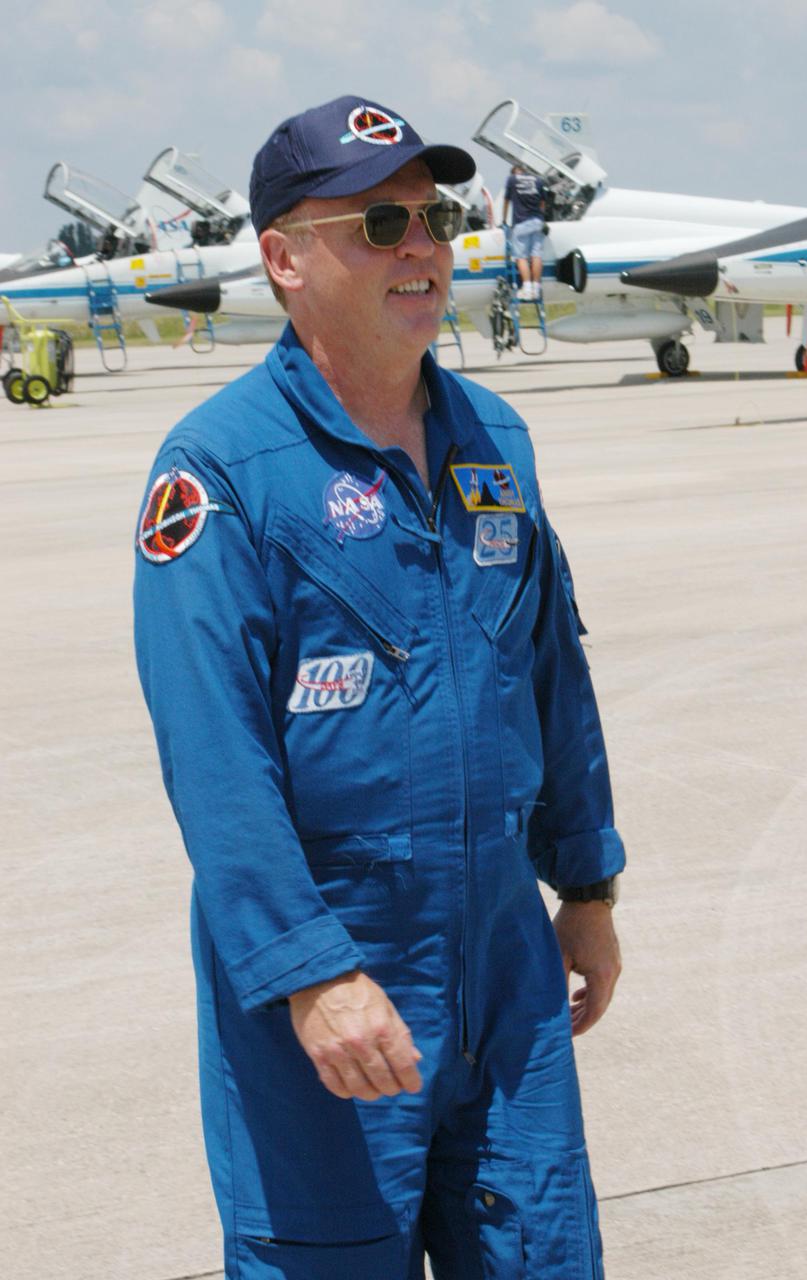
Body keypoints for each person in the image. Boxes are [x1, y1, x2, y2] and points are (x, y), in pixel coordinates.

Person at [134, 94, 625, 1280]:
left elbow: (550, 671)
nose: (422, 248)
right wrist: (311, 971)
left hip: (504, 953)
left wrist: (589, 882)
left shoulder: (493, 439)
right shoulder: (220, 471)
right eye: (382, 221)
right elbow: (216, 754)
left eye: (436, 217)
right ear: (284, 258)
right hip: (340, 962)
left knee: (541, 1254)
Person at [503, 164, 546, 300]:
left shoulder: (512, 180)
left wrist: (504, 220)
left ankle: (527, 288)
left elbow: (506, 201)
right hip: (537, 222)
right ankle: (536, 288)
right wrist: (541, 217)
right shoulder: (539, 180)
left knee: (521, 257)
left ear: (514, 173)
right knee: (536, 255)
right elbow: (543, 203)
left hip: (521, 223)